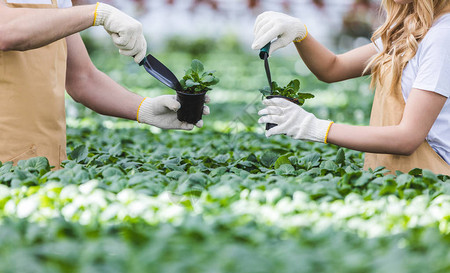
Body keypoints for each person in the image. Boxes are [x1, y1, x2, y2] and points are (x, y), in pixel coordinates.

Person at [0, 0, 207, 169]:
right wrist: (99, 14)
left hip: (45, 163)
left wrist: (145, 109)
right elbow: (7, 31)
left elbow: (83, 78)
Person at [253, 0, 450, 175]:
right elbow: (332, 68)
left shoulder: (443, 37)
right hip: (399, 176)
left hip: (432, 176)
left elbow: (407, 138)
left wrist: (315, 128)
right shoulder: (411, 30)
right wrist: (299, 33)